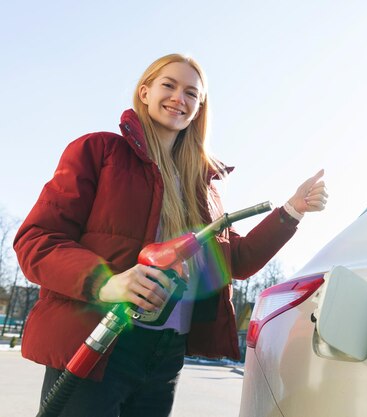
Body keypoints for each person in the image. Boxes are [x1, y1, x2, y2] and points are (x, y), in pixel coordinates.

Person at [13, 53, 327, 416]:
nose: (180, 98)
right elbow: (37, 240)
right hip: (99, 343)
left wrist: (292, 210)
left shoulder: (202, 187)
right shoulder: (99, 151)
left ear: (199, 107)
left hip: (165, 355)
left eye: (192, 93)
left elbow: (234, 262)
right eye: (169, 85)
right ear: (144, 92)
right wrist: (106, 283)